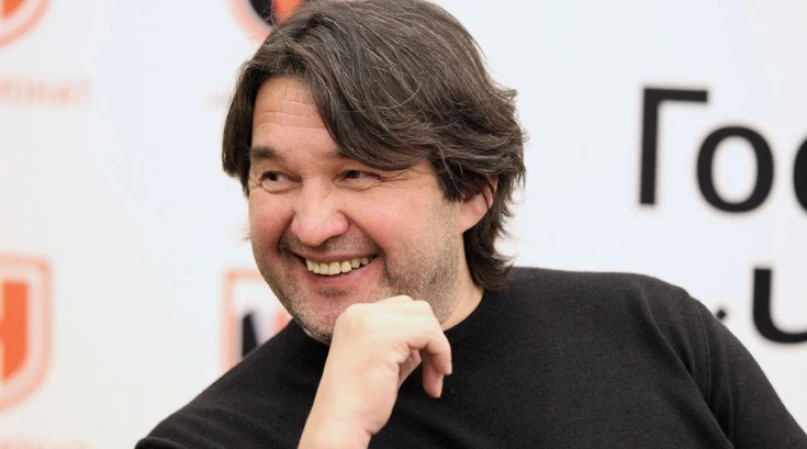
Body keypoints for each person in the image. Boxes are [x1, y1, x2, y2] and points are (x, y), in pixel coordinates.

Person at [136, 0, 807, 448]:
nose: (310, 226)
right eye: (276, 177)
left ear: (473, 191)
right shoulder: (200, 441)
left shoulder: (656, 331)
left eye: (358, 173)